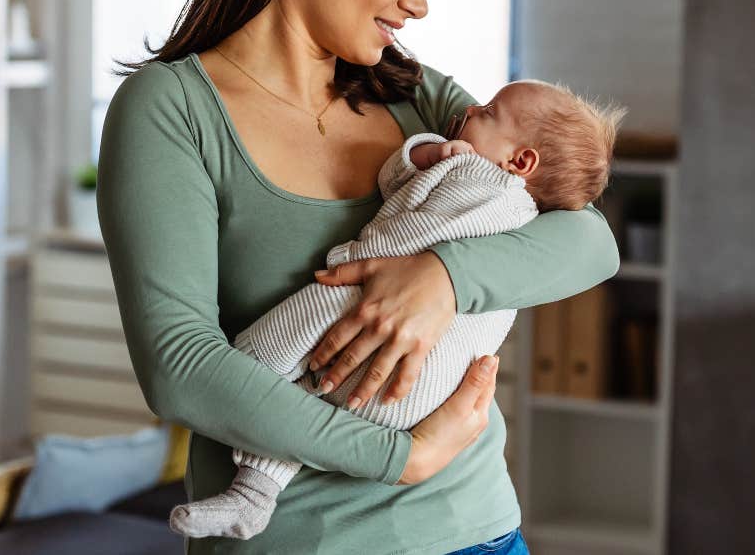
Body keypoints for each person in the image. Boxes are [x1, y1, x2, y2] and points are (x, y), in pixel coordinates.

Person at [96, 0, 619, 554]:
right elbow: (180, 365)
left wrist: (442, 276)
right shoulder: (171, 110)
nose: (420, 2)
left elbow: (591, 239)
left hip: (477, 531)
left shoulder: (418, 98)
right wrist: (402, 457)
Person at [167, 80, 625, 540]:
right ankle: (254, 497)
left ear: (521, 161)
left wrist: (435, 275)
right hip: (408, 406)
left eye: (487, 112)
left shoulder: (482, 178)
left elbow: (412, 231)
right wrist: (430, 154)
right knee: (308, 393)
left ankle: (253, 483)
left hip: (443, 457)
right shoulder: (502, 187)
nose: (470, 110)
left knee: (258, 364)